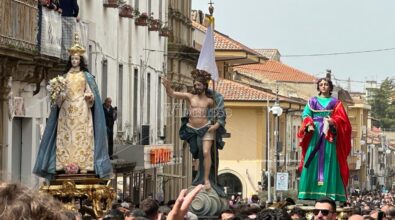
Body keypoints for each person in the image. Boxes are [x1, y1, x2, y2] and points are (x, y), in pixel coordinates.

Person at [33, 34, 112, 179]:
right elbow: (60, 95)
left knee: (82, 136)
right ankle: (63, 164)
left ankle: (84, 165)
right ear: (70, 61)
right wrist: (58, 95)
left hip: (82, 109)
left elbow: (91, 92)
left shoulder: (86, 76)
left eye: (77, 59)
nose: (74, 61)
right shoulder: (64, 76)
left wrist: (90, 97)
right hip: (66, 110)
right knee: (65, 137)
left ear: (80, 61)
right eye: (72, 59)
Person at [162, 69, 226, 194]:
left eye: (199, 85)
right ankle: (199, 176)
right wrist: (167, 86)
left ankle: (206, 179)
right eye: (195, 85)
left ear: (205, 86)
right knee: (197, 152)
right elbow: (172, 94)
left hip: (207, 128)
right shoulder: (190, 97)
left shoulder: (210, 100)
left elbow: (220, 112)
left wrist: (217, 125)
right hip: (192, 129)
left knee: (206, 152)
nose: (196, 87)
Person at [297, 77, 351, 202]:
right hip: (315, 134)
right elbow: (306, 114)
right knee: (312, 158)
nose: (323, 86)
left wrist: (333, 121)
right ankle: (309, 192)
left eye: (326, 84)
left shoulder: (335, 102)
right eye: (321, 84)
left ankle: (330, 193)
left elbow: (343, 120)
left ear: (330, 87)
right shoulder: (312, 101)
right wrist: (309, 123)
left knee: (330, 161)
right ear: (318, 87)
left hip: (328, 135)